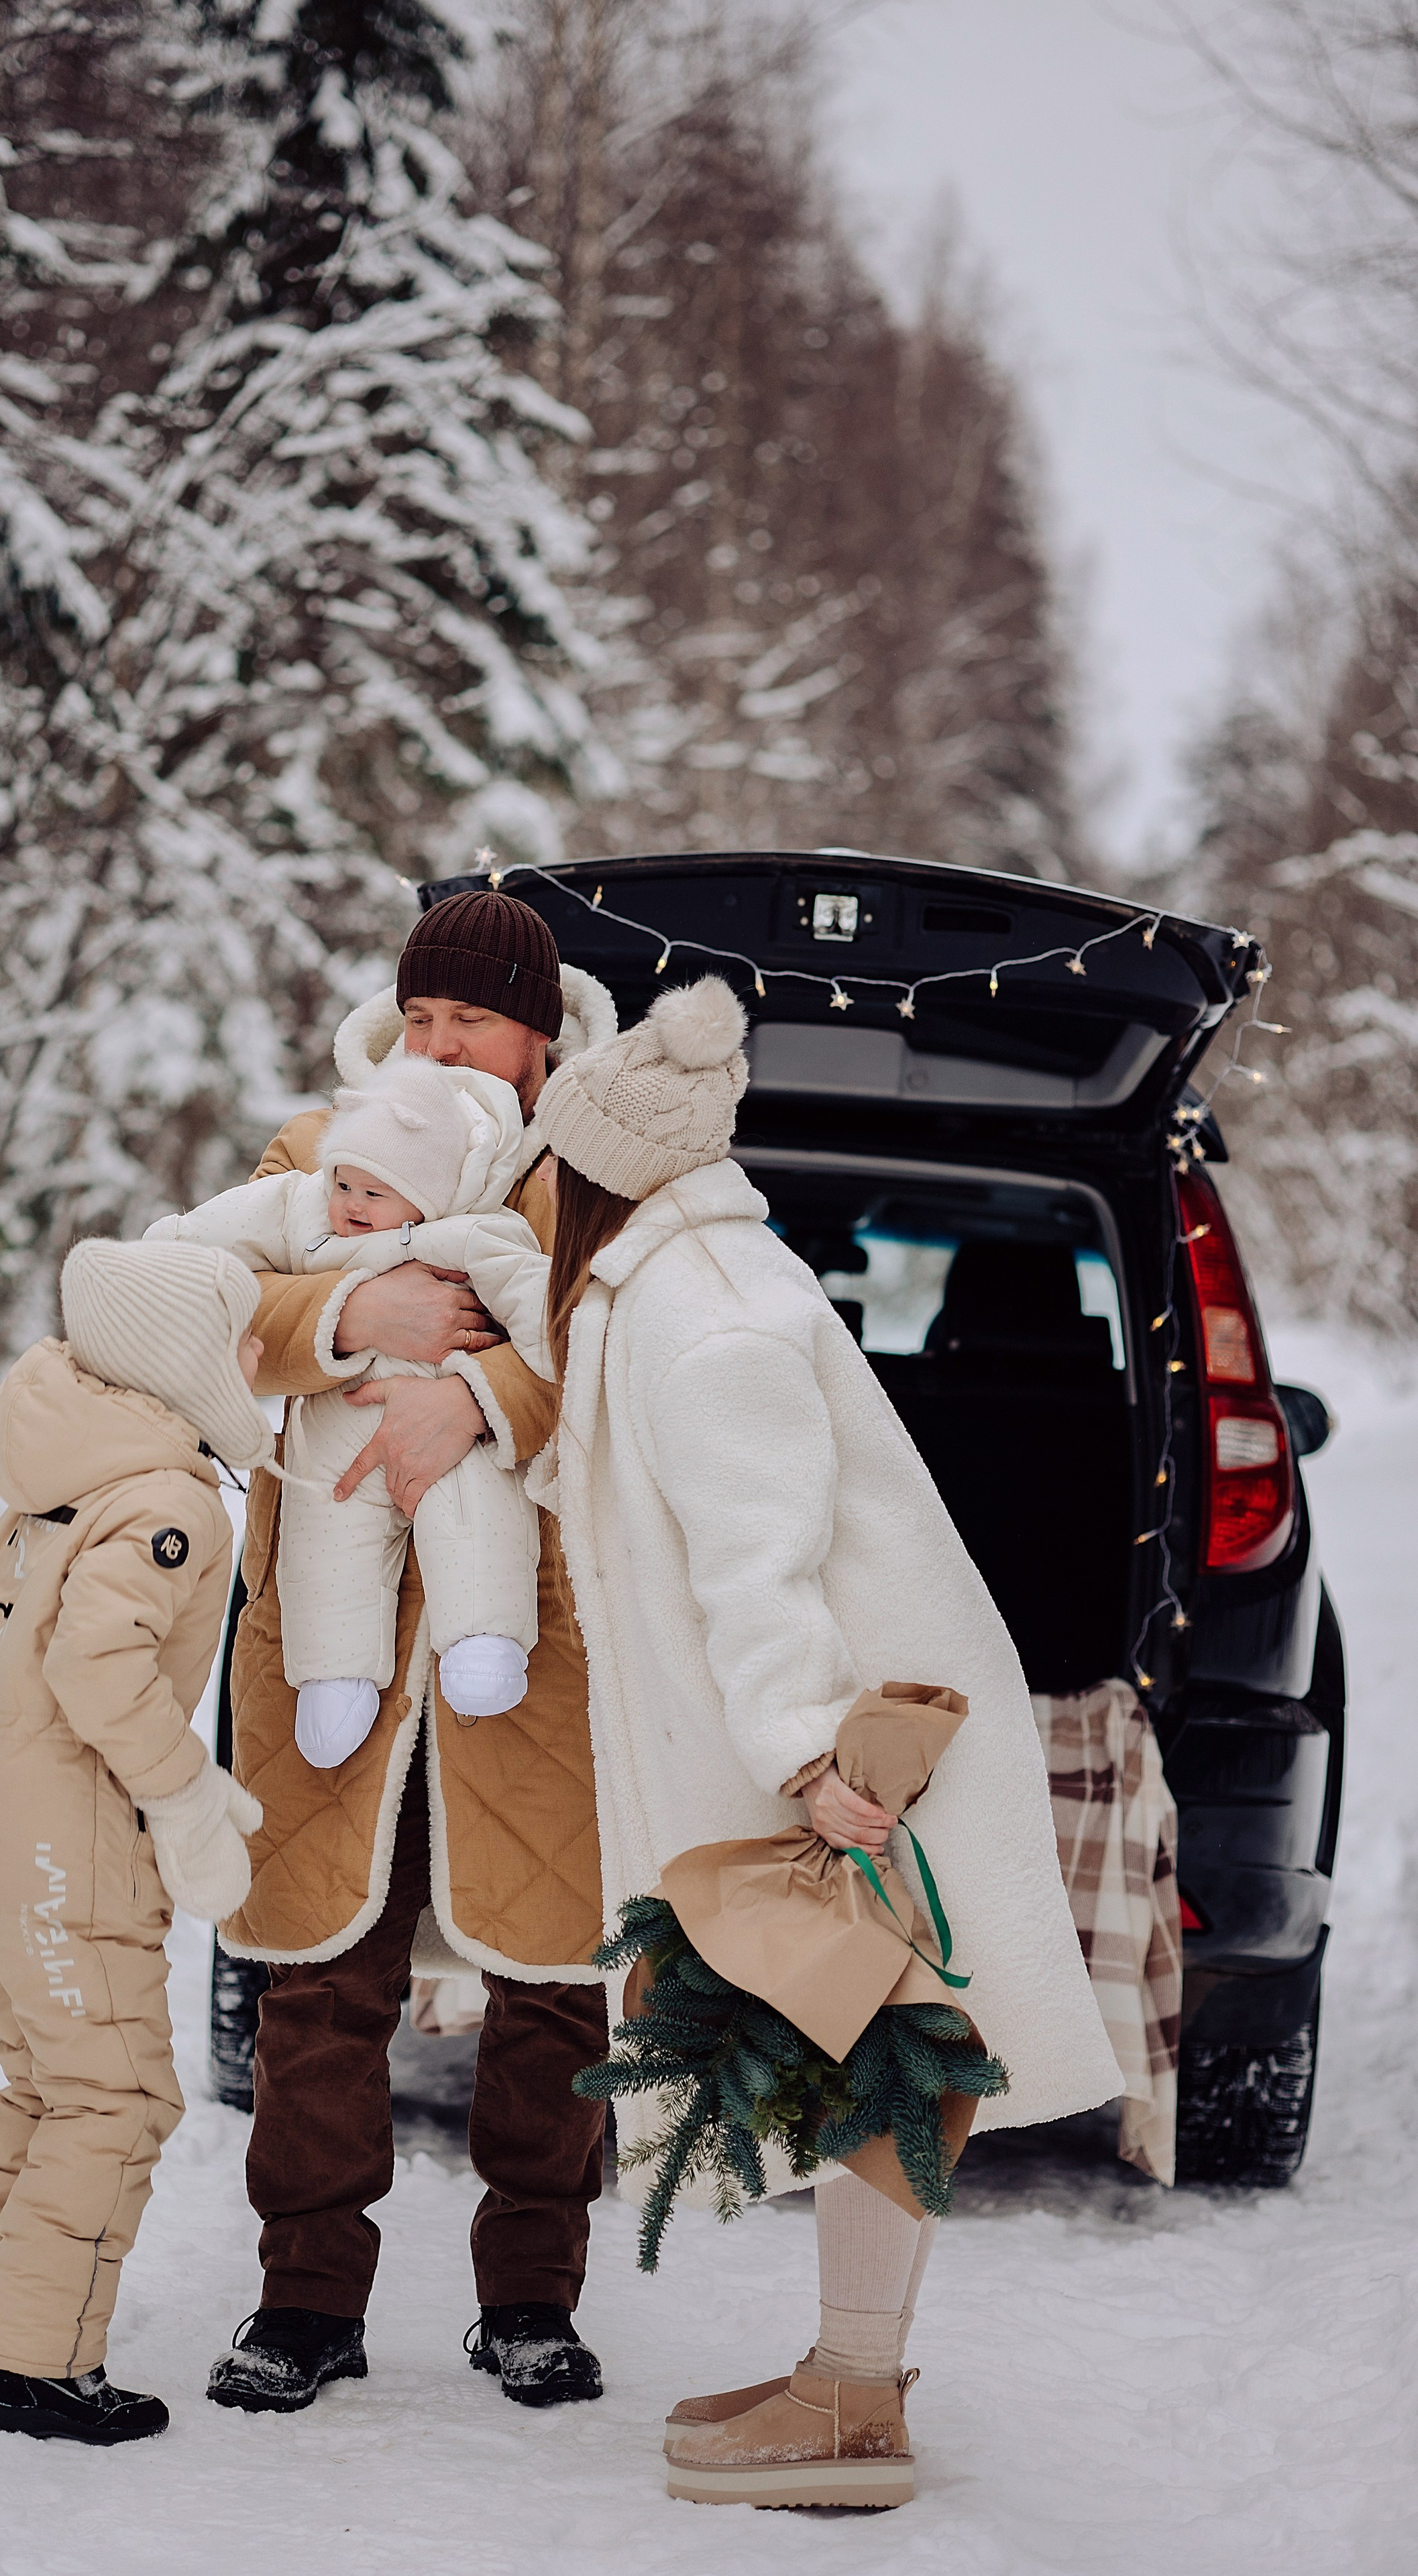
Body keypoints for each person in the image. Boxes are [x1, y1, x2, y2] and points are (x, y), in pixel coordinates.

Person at [527, 974, 1123, 2510]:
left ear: (596, 1172)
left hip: (856, 1759)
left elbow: (756, 1554)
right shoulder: (675, 1285)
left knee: (879, 2055)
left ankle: (855, 2404)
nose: (527, 1187)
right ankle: (846, 2379)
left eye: (543, 1160)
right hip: (839, 1749)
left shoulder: (707, 1318)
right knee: (869, 2052)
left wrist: (804, 1752)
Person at [208, 887, 620, 2416]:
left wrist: (485, 1396)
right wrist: (352, 1310)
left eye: (475, 1018)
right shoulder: (318, 1149)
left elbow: (625, 1352)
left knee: (549, 1970)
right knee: (321, 1964)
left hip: (534, 1642)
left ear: (535, 1035)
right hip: (338, 1633)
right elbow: (217, 1302)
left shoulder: (589, 1175)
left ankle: (529, 2293)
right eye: (425, 1014)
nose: (442, 1041)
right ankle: (304, 2298)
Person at [0, 1238, 272, 2446]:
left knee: (43, 2083)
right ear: (184, 1362)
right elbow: (95, 1668)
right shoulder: (167, 1502)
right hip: (67, 1829)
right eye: (242, 1337)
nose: (261, 1358)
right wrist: (187, 1795)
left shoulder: (57, 1481)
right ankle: (37, 2368)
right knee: (115, 2097)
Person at [146, 1051, 553, 1760]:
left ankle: (483, 1642)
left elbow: (556, 1316)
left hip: (455, 1427)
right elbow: (210, 1258)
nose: (354, 1206)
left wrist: (500, 1386)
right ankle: (334, 1682)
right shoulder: (306, 1201)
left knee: (476, 1516)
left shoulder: (470, 1230)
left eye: (377, 1192)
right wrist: (344, 1310)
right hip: (335, 1431)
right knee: (324, 1545)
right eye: (344, 1184)